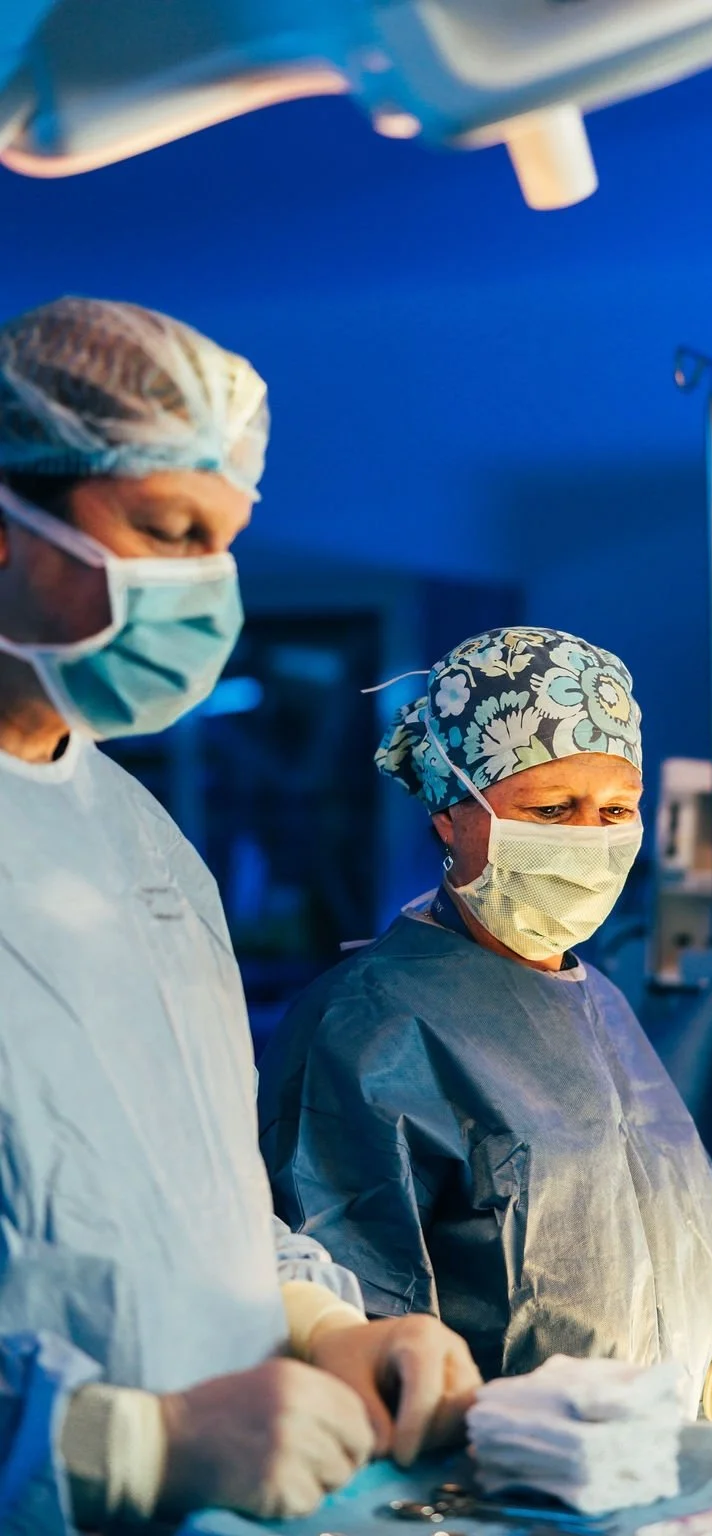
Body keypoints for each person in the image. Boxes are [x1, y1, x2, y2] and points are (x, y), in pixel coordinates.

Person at [0, 297, 479, 1534]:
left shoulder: (142, 845)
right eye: (165, 529)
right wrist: (122, 1445)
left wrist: (321, 1328)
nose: (203, 591)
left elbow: (181, 1192)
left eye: (221, 547)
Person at [258, 626, 712, 1396]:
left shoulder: (598, 1004)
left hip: (642, 1460)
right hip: (484, 1481)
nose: (590, 841)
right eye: (551, 810)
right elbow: (364, 1343)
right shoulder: (369, 1025)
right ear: (450, 814)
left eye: (617, 813)